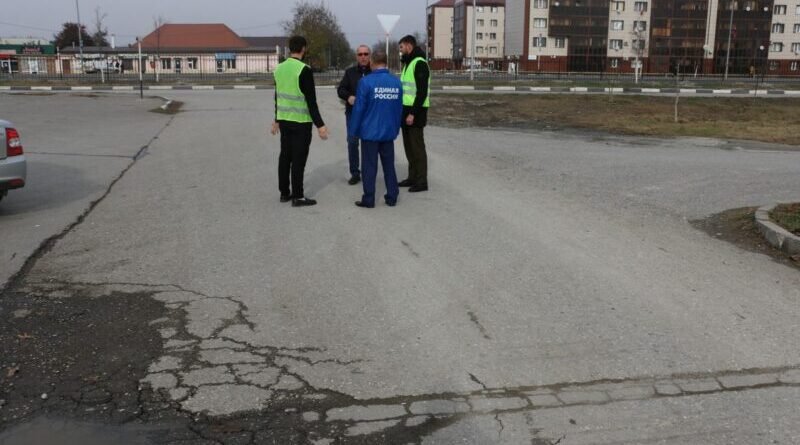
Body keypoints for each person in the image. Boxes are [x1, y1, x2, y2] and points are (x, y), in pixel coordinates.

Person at [270, 35, 329, 207]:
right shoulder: (304, 70)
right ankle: (298, 196)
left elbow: (277, 97)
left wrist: (276, 119)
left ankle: (284, 193)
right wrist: (320, 125)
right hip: (301, 123)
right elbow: (311, 101)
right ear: (303, 48)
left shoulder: (279, 69)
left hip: (285, 121)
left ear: (290, 49)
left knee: (285, 157)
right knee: (298, 159)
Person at [348, 51, 402, 208]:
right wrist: (396, 128)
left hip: (370, 132)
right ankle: (392, 196)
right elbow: (399, 109)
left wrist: (353, 131)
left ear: (372, 62)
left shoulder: (366, 82)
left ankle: (369, 199)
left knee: (369, 166)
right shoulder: (396, 82)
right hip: (388, 132)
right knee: (389, 165)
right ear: (386, 62)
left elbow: (359, 109)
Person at [398, 34, 431, 193]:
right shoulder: (408, 63)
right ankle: (412, 177)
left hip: (416, 112)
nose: (401, 51)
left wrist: (412, 113)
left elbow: (422, 92)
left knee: (417, 147)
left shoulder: (419, 63)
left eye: (402, 47)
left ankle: (421, 181)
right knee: (408, 147)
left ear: (409, 46)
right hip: (405, 110)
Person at [337, 45, 372, 185]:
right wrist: (349, 97)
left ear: (370, 55)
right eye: (360, 54)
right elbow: (341, 90)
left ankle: (368, 171)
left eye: (366, 54)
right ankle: (355, 173)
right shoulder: (350, 72)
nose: (363, 57)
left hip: (370, 115)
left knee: (369, 144)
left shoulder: (374, 72)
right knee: (352, 142)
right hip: (353, 114)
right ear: (356, 56)